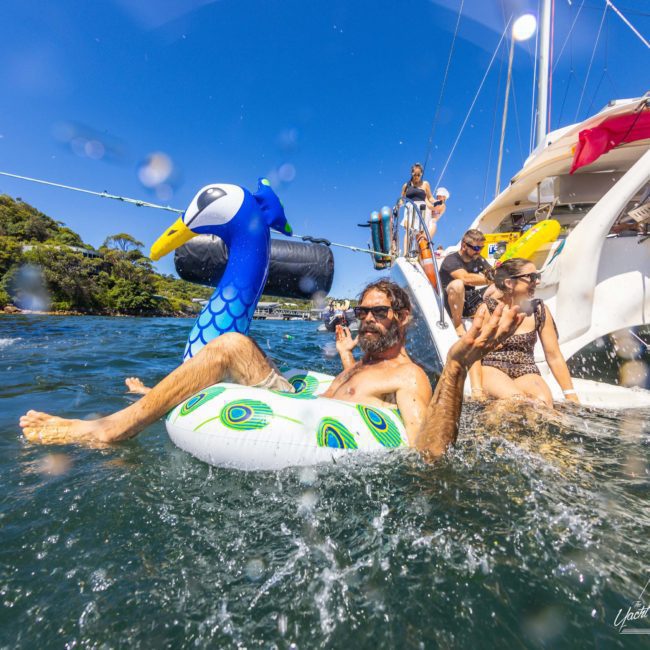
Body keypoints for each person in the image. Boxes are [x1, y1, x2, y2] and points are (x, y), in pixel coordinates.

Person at [19, 279, 523, 461]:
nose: (367, 319)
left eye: (380, 313)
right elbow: (345, 387)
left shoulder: (410, 378)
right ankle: (161, 393)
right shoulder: (367, 360)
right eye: (361, 312)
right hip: (303, 399)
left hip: (303, 424)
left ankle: (110, 429)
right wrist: (348, 354)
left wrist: (455, 369)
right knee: (231, 345)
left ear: (404, 318)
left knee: (235, 340)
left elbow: (429, 454)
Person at [475, 258, 579, 406]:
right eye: (531, 277)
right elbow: (474, 355)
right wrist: (476, 389)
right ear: (509, 283)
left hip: (525, 368)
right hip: (493, 366)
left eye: (537, 277)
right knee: (513, 400)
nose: (536, 282)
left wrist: (570, 394)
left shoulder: (539, 310)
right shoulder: (488, 309)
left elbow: (554, 355)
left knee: (544, 404)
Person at [439, 229, 493, 336]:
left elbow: (491, 273)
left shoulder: (478, 259)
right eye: (477, 248)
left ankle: (486, 330)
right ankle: (458, 326)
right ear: (464, 246)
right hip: (450, 304)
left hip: (468, 301)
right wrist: (490, 280)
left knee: (498, 286)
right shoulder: (451, 260)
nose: (479, 251)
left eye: (482, 247)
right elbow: (465, 278)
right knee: (458, 284)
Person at [400, 163, 436, 253]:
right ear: (411, 173)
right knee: (408, 229)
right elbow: (402, 198)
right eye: (414, 174)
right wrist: (399, 204)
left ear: (421, 174)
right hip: (410, 208)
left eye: (418, 175)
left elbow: (430, 197)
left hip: (422, 209)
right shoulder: (406, 185)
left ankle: (418, 254)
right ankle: (405, 253)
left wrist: (437, 202)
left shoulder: (425, 184)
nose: (416, 176)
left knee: (419, 232)